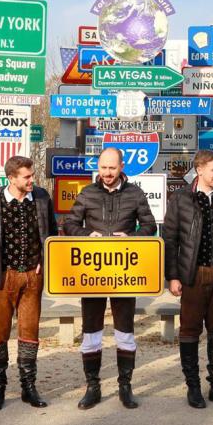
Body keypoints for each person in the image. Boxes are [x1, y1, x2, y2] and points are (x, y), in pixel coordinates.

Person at [62, 147, 157, 410]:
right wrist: (86, 235)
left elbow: (150, 226)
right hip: (92, 273)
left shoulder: (135, 193)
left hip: (124, 272)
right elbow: (69, 224)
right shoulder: (87, 193)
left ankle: (125, 387)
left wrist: (132, 237)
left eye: (112, 168)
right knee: (91, 334)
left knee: (125, 333)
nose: (106, 173)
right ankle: (92, 387)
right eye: (103, 167)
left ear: (121, 167)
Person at [0, 156, 57, 412]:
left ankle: (28, 387)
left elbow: (52, 234)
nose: (32, 180)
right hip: (3, 276)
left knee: (30, 333)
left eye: (32, 175)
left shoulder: (41, 198)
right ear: (11, 178)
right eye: (26, 176)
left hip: (33, 276)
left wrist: (44, 259)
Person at [163, 150, 213, 409]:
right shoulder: (181, 199)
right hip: (193, 274)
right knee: (190, 330)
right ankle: (193, 387)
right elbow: (170, 240)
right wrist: (173, 276)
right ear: (200, 170)